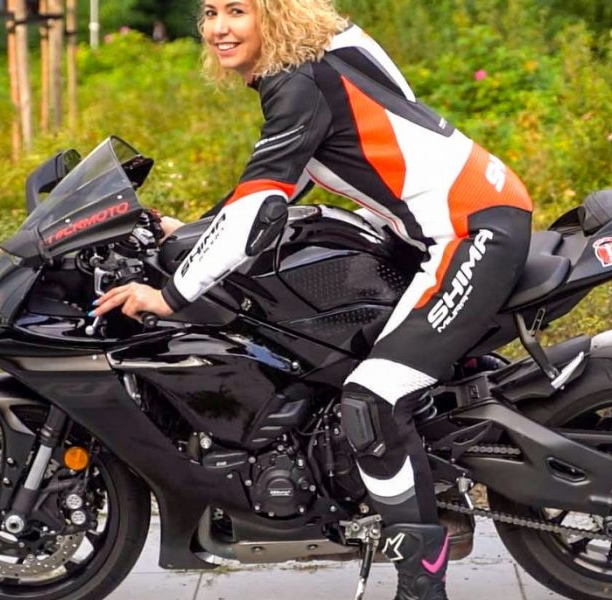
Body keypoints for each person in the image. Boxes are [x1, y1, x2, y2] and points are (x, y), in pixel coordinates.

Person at [92, 1, 532, 598]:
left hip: (470, 231)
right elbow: (286, 178)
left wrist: (169, 296)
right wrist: (192, 231)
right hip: (450, 221)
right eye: (211, 12)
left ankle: (422, 585)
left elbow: (259, 206)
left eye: (238, 12)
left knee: (373, 400)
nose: (218, 28)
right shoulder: (325, 52)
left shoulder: (296, 83)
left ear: (274, 14)